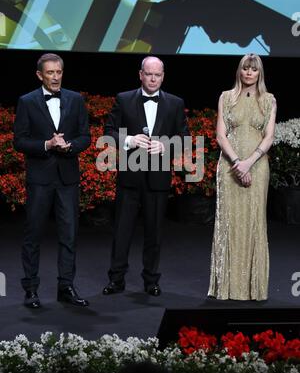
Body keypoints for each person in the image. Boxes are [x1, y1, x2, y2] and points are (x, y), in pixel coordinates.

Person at [102, 56, 189, 296]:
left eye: (157, 75)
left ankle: (151, 280)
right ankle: (116, 279)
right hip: (129, 178)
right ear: (140, 74)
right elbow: (107, 133)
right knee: (122, 231)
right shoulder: (124, 99)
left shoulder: (175, 103)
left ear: (163, 76)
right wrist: (128, 140)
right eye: (148, 74)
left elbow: (185, 138)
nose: (153, 79)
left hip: (158, 179)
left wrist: (166, 146)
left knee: (154, 233)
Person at [13, 53, 91, 308]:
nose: (55, 77)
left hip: (67, 178)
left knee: (69, 235)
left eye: (58, 72)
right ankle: (31, 290)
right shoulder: (27, 102)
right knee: (33, 234)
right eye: (50, 73)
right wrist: (47, 144)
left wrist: (69, 146)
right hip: (40, 178)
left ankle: (66, 287)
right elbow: (19, 140)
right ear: (40, 75)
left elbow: (85, 136)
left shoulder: (76, 99)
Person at [208, 53, 277, 301]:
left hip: (257, 167)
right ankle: (226, 288)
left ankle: (252, 289)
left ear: (260, 74)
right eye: (245, 69)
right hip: (229, 166)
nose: (249, 73)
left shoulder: (268, 100)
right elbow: (220, 135)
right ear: (240, 71)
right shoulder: (226, 97)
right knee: (229, 222)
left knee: (254, 222)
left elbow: (269, 137)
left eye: (254, 69)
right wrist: (237, 162)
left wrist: (249, 163)